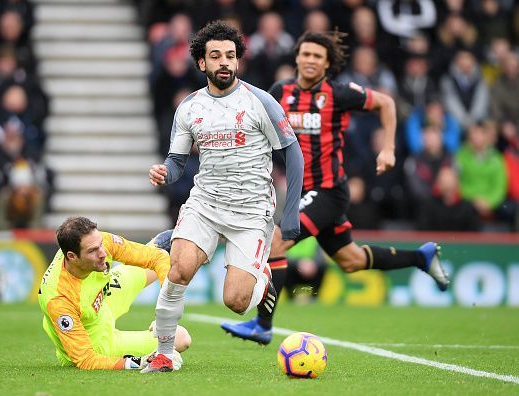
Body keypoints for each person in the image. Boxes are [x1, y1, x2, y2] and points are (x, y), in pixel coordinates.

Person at [150, 30, 450, 346]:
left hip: (328, 189)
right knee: (351, 261)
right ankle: (421, 257)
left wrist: (388, 148)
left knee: (276, 243)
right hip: (299, 188)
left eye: (317, 56)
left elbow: (386, 103)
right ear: (296, 58)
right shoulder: (281, 92)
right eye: (305, 54)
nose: (310, 60)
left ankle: (263, 324)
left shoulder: (339, 93)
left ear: (327, 63)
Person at [144, 20, 304, 372]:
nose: (224, 63)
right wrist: (165, 172)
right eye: (215, 56)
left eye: (230, 56)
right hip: (205, 202)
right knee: (178, 270)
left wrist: (289, 215)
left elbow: (293, 154)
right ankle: (165, 352)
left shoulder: (260, 101)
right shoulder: (189, 107)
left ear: (238, 60)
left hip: (251, 211)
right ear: (201, 63)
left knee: (235, 302)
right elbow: (177, 161)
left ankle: (261, 280)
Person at [37, 216, 191, 370]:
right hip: (97, 340)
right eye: (93, 251)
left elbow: (157, 258)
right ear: (72, 256)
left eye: (101, 244)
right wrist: (141, 361)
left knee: (164, 254)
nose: (103, 253)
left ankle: (156, 245)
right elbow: (86, 360)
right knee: (181, 339)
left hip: (103, 297)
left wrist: (166, 312)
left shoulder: (97, 242)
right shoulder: (59, 300)